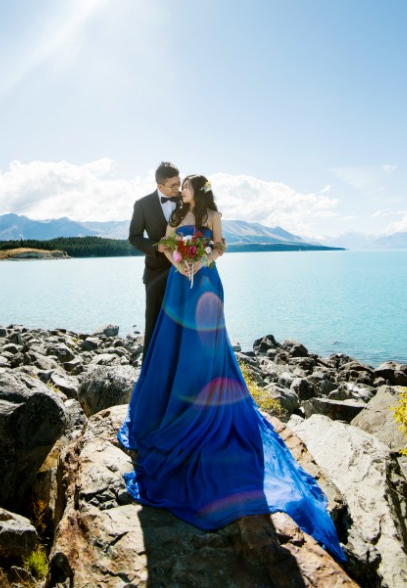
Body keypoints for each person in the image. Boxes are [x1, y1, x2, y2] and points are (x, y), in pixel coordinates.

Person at [119, 175, 345, 562]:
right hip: (180, 282)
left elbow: (220, 247)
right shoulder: (175, 214)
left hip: (205, 282)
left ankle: (208, 404)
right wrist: (180, 262)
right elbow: (168, 245)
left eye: (186, 185)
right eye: (180, 186)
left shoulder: (213, 214)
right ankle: (174, 401)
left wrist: (199, 261)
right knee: (174, 346)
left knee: (205, 348)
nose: (181, 190)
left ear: (197, 190)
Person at [129, 161, 181, 358]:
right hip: (155, 274)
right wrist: (156, 247)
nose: (178, 188)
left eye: (179, 183)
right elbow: (133, 237)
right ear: (160, 186)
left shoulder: (186, 201)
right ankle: (149, 371)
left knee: (181, 322)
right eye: (173, 185)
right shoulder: (142, 205)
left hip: (183, 271)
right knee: (153, 322)